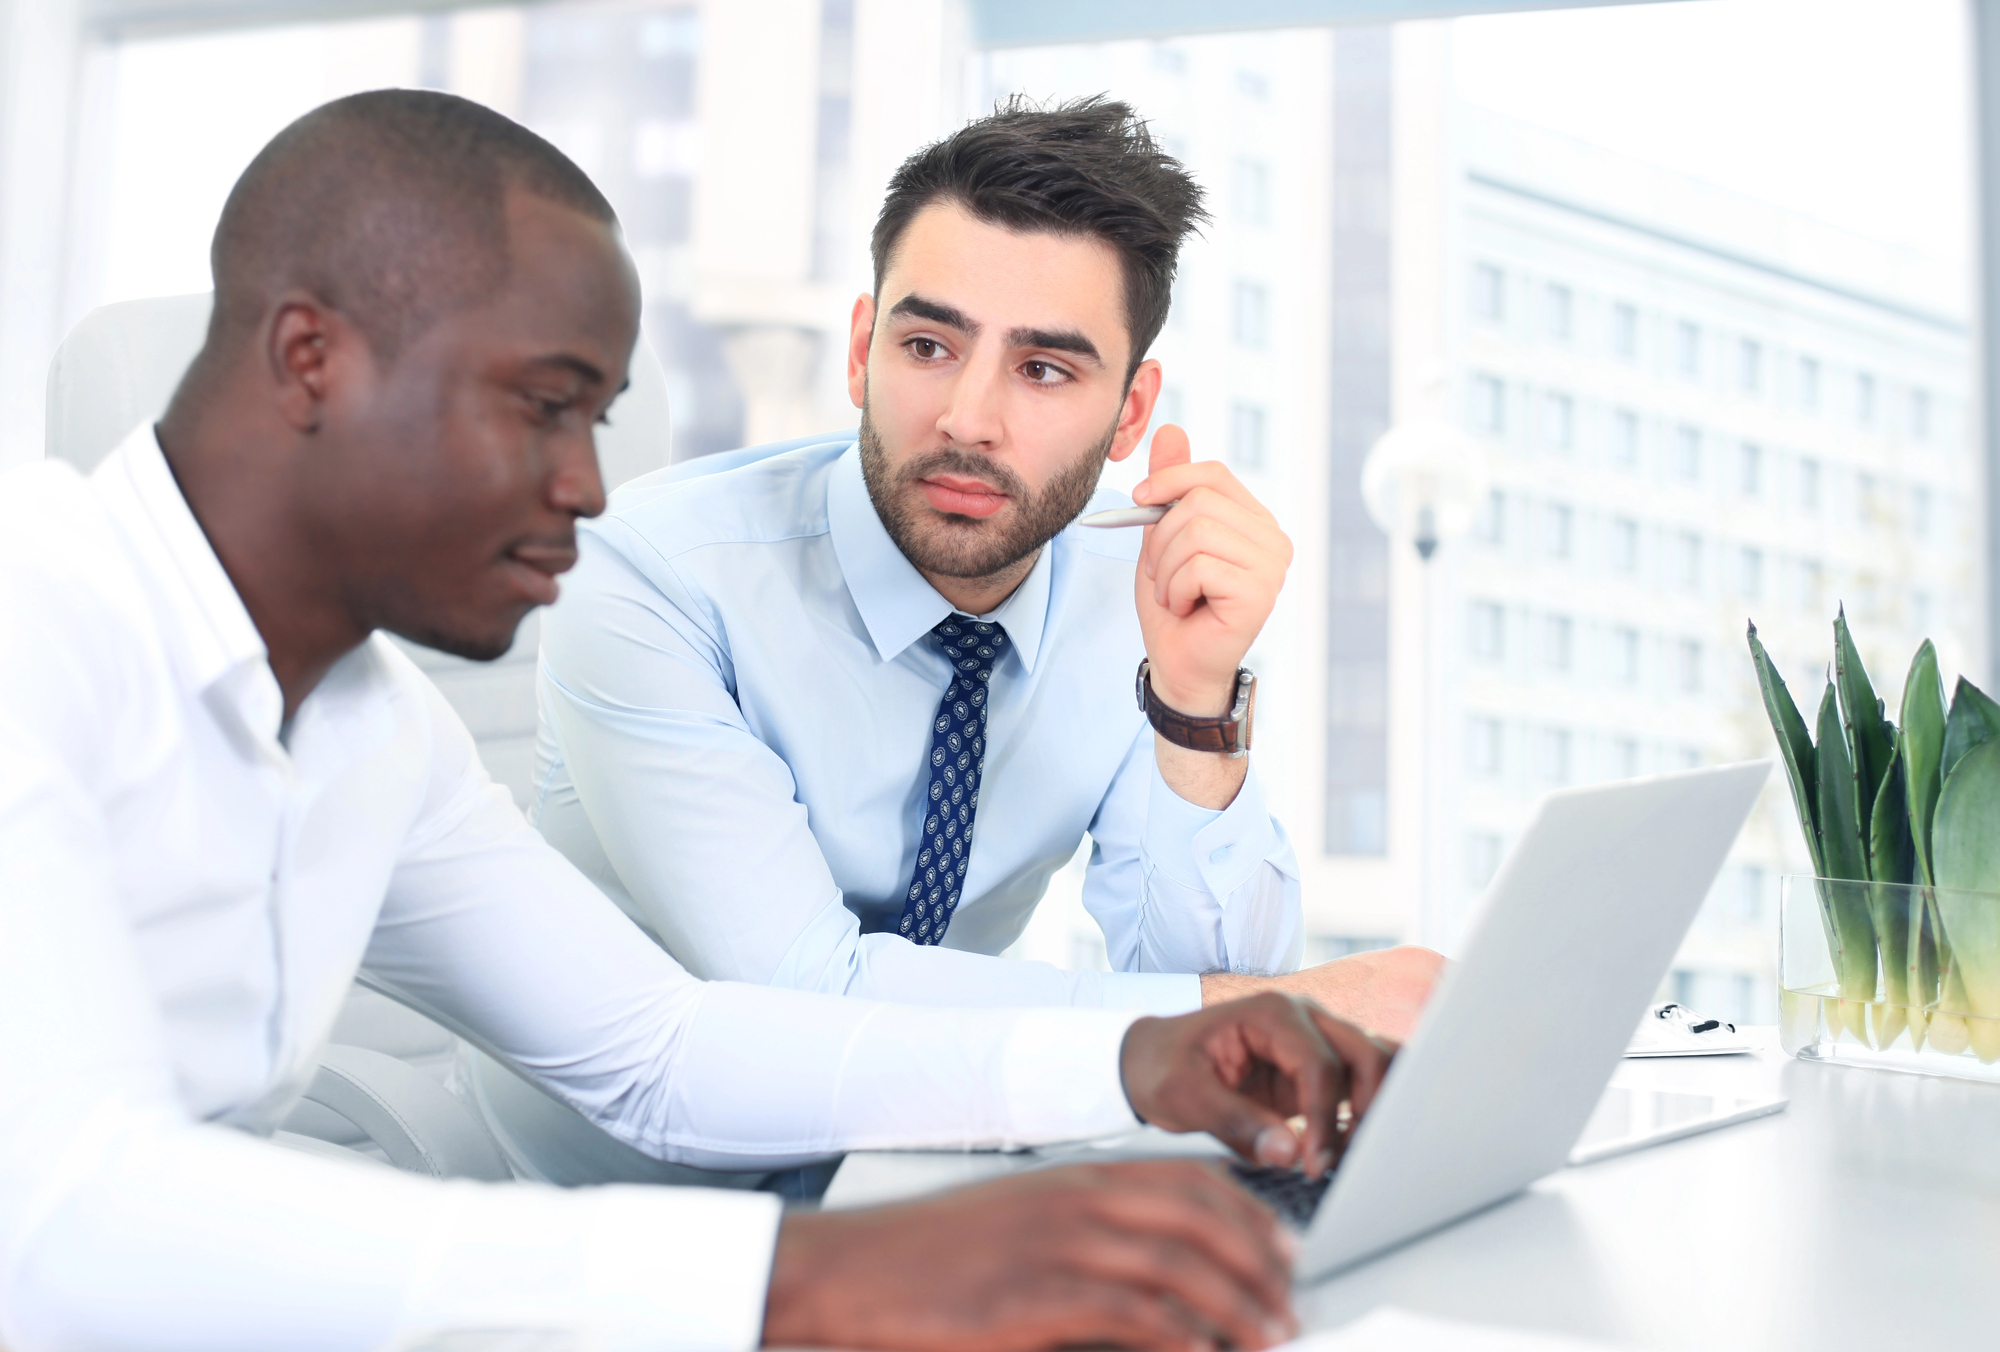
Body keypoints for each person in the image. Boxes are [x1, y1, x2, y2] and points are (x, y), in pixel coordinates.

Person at [0, 90, 1396, 1352]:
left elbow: (661, 1048)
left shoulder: (374, 731)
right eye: (543, 410)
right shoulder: (34, 633)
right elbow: (57, 1220)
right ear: (311, 359)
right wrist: (797, 1286)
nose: (590, 492)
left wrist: (1137, 1059)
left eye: (598, 421)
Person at [505, 97, 1440, 1178]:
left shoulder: (1128, 594)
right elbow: (804, 994)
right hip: (619, 1212)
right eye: (927, 344)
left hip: (926, 1173)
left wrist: (1192, 699)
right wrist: (1291, 1002)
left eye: (1043, 369)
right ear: (861, 349)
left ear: (1129, 414)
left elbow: (1216, 1026)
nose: (966, 417)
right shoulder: (648, 575)